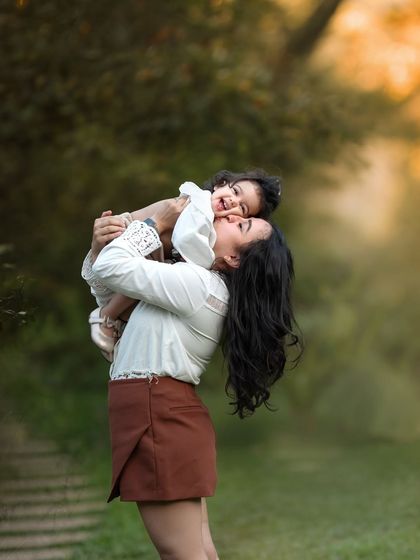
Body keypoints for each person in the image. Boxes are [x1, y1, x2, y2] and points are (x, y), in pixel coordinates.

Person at [83, 178, 300, 559]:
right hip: (163, 413)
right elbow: (109, 294)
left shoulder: (198, 285)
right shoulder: (193, 281)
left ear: (235, 259)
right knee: (196, 553)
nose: (230, 214)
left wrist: (155, 223)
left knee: (183, 554)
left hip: (159, 415)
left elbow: (117, 268)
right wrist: (100, 245)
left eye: (242, 223)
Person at [86, 169, 282, 360]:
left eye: (242, 208)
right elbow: (112, 267)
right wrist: (99, 250)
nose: (233, 203)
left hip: (140, 254)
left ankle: (109, 318)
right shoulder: (194, 206)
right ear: (220, 185)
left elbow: (118, 275)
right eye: (236, 192)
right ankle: (107, 316)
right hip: (128, 232)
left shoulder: (203, 277)